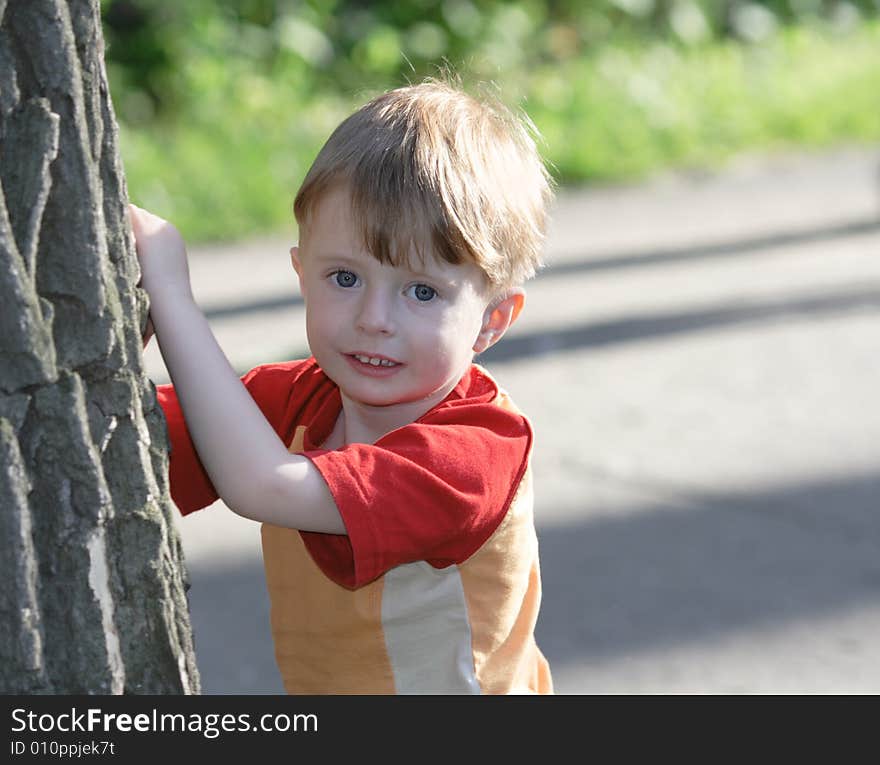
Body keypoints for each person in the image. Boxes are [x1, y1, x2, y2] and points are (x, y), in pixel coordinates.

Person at [132, 78, 555, 694]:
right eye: (344, 277)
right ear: (303, 273)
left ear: (492, 320)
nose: (373, 319)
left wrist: (171, 299)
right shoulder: (299, 397)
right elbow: (130, 446)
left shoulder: (474, 454)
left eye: (422, 291)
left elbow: (265, 485)